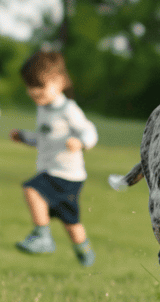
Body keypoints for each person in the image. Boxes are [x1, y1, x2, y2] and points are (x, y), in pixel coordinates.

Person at [10, 50, 98, 264]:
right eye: (30, 86)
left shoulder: (69, 109)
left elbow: (90, 131)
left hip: (66, 174)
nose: (33, 91)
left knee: (31, 189)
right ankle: (85, 254)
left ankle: (42, 237)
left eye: (39, 86)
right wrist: (25, 138)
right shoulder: (44, 109)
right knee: (70, 221)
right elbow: (44, 138)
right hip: (54, 172)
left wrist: (81, 143)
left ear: (58, 82)